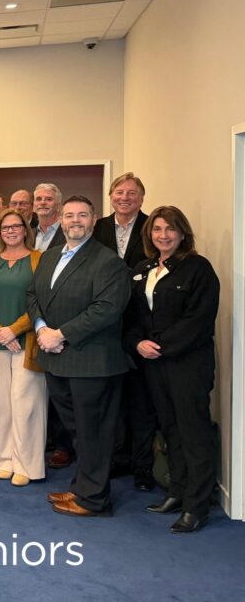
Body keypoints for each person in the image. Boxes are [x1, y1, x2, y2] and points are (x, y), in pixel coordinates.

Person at [28, 196, 130, 518]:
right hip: (56, 358)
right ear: (61, 218)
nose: (75, 220)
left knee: (94, 433)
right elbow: (33, 296)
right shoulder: (50, 255)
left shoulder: (107, 261)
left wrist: (61, 334)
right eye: (69, 215)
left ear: (94, 219)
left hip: (91, 362)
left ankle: (94, 500)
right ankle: (81, 487)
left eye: (82, 215)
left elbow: (106, 309)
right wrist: (43, 328)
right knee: (78, 432)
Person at [124, 207, 218, 533]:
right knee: (170, 430)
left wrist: (158, 345)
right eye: (157, 229)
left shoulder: (198, 269)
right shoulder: (143, 269)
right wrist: (137, 343)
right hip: (153, 365)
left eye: (170, 229)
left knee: (193, 433)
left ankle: (197, 505)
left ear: (182, 233)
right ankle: (177, 492)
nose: (163, 235)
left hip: (187, 364)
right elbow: (132, 317)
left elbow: (198, 321)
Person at [0, 209, 47, 486]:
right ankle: (4, 459)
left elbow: (43, 300)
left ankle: (27, 465)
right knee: (2, 403)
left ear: (25, 229)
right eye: (6, 228)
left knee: (26, 403)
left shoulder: (39, 260)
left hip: (27, 342)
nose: (11, 231)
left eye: (17, 226)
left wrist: (14, 329)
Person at [94, 172, 154, 488]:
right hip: (105, 325)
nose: (125, 198)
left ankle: (143, 466)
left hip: (140, 323)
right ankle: (118, 459)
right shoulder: (99, 227)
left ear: (141, 198)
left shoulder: (151, 226)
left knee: (140, 401)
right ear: (111, 196)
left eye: (132, 193)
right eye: (119, 192)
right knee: (111, 400)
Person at [33, 183, 65, 251]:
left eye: (49, 199)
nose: (42, 203)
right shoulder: (28, 234)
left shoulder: (68, 232)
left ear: (58, 206)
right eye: (38, 199)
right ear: (34, 206)